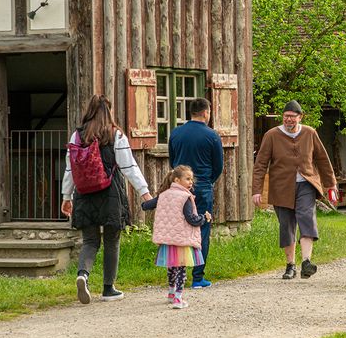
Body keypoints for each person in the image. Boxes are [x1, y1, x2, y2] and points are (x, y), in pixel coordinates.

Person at [61, 95, 152, 303]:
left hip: (84, 194)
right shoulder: (115, 135)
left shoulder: (77, 135)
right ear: (108, 112)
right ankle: (108, 288)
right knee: (112, 240)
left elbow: (70, 169)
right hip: (110, 194)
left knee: (90, 241)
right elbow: (129, 167)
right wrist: (144, 191)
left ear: (89, 111)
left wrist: (67, 196)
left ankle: (83, 274)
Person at [252, 100, 338, 280]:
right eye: (286, 117)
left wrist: (331, 184)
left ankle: (306, 261)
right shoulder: (272, 135)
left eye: (292, 117)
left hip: (306, 183)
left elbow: (322, 159)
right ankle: (290, 265)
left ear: (300, 117)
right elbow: (260, 164)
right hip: (281, 186)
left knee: (307, 218)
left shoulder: (309, 133)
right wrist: (257, 190)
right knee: (287, 225)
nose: (289, 120)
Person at [167, 98, 224, 288]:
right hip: (203, 187)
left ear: (190, 112)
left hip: (180, 188)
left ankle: (178, 274)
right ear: (206, 112)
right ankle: (198, 277)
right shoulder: (212, 136)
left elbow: (173, 162)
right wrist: (207, 181)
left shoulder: (176, 133)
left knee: (180, 229)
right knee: (202, 229)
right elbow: (218, 166)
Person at [141, 165, 212, 309]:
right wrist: (204, 218)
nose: (191, 182)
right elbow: (191, 219)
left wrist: (145, 200)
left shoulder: (164, 195)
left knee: (172, 266)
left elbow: (145, 206)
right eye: (187, 179)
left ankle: (171, 293)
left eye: (192, 179)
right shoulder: (185, 197)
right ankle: (178, 299)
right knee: (181, 268)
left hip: (168, 239)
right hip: (181, 239)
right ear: (177, 180)